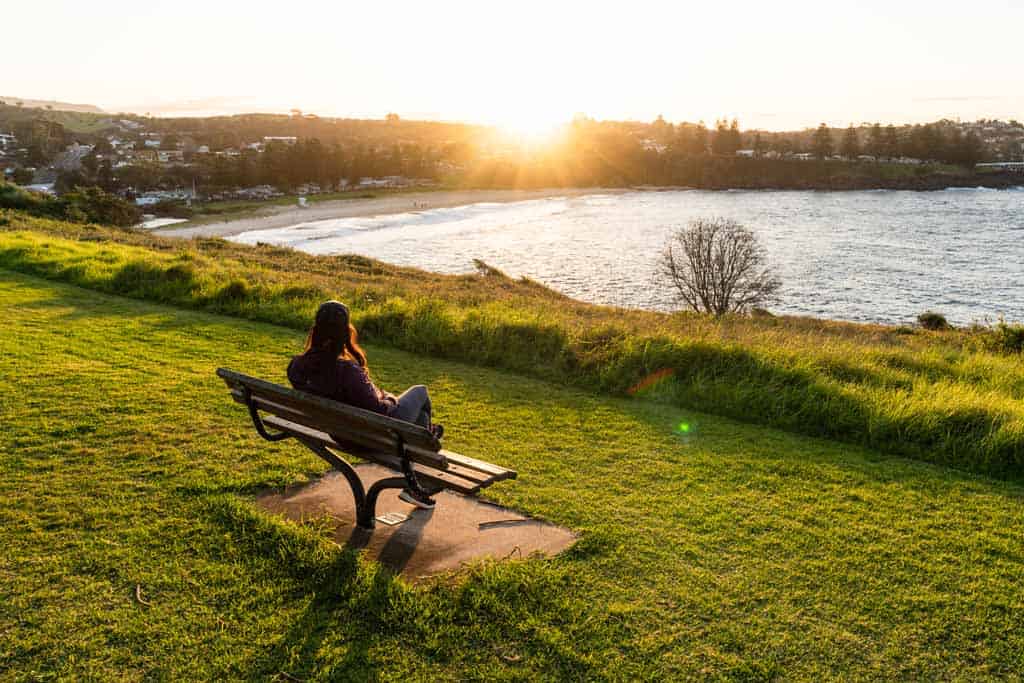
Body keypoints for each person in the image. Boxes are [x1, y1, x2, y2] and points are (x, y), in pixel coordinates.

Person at [287, 300, 443, 509]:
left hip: (344, 435)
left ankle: (422, 453)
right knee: (420, 392)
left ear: (315, 331)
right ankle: (426, 451)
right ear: (345, 333)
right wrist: (390, 398)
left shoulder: (297, 366)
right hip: (374, 437)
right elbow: (379, 410)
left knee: (420, 419)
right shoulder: (346, 370)